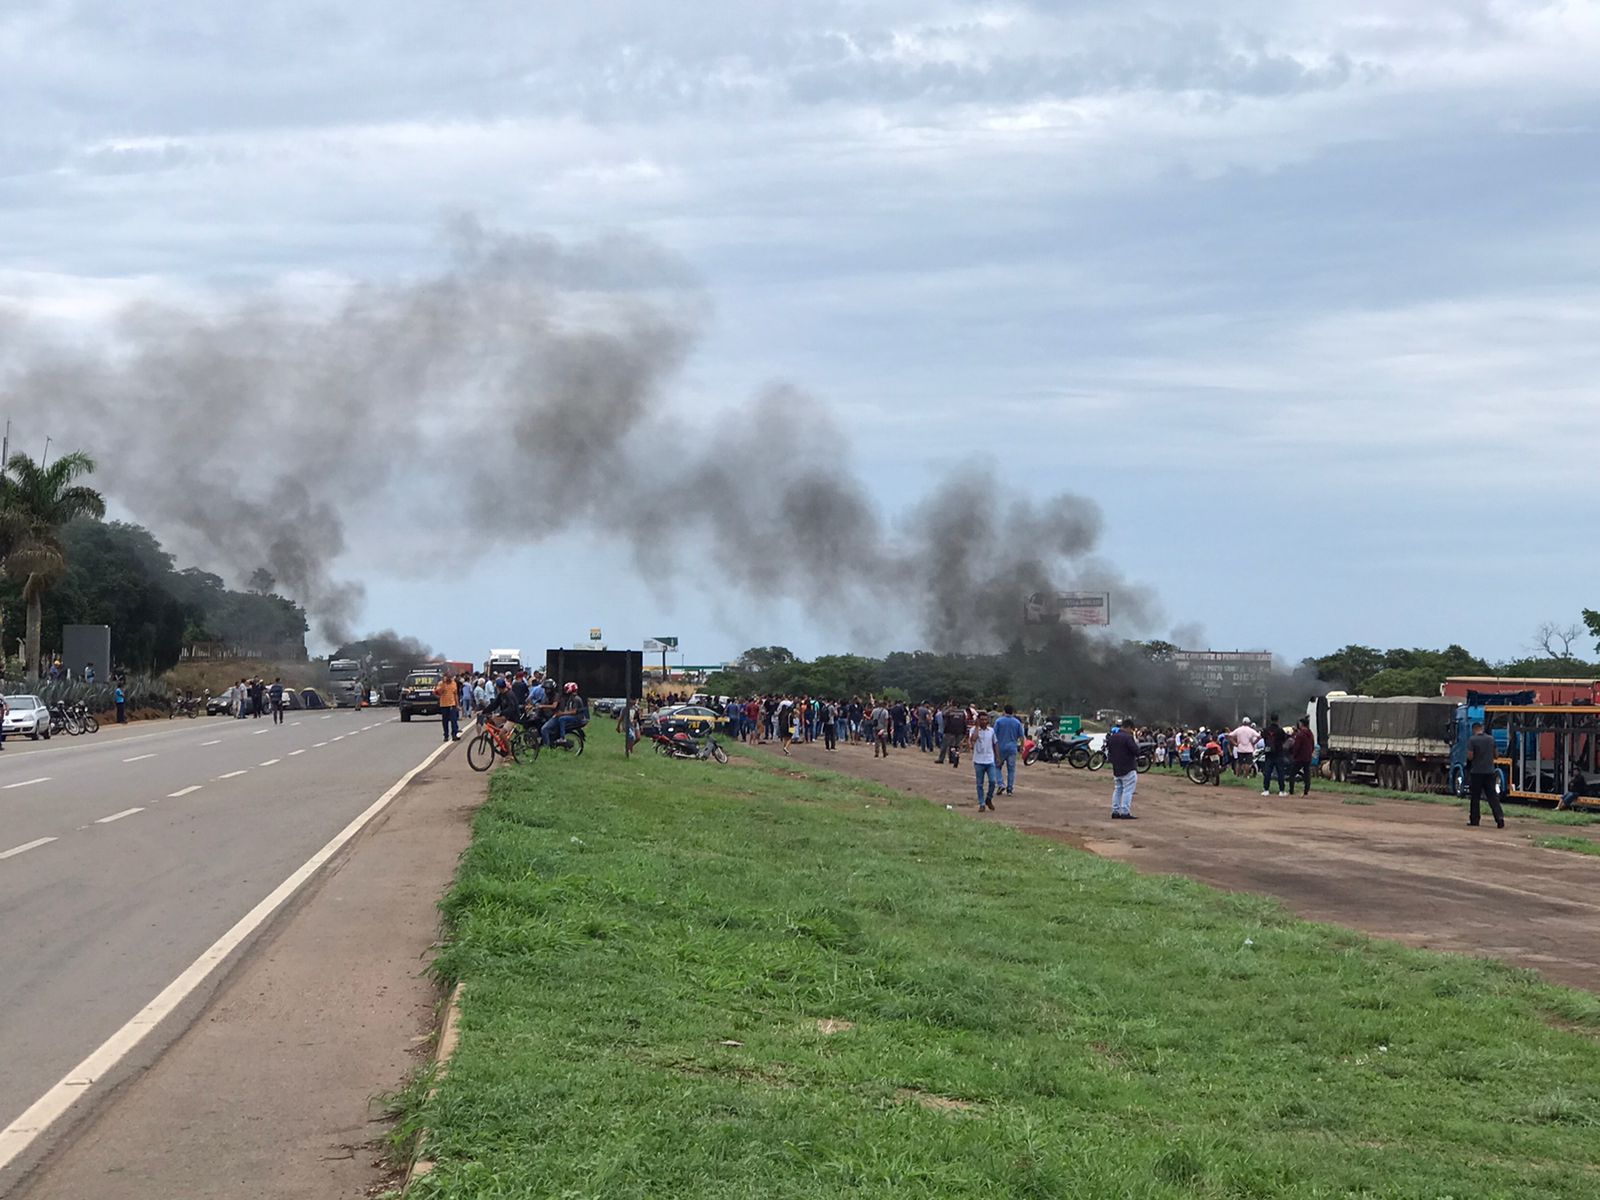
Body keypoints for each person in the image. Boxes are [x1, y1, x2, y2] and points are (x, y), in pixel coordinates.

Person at [1466, 722, 1504, 828]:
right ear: (1482, 728)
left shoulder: (1472, 740)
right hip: (1490, 772)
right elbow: (1496, 755)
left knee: (1475, 797)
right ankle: (1499, 818)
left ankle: (1475, 820)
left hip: (1477, 772)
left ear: (1474, 730)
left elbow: (1470, 756)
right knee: (1493, 797)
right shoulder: (1491, 739)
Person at [1106, 723, 1140, 818]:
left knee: (1118, 790)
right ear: (1128, 727)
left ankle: (1115, 811)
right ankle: (1125, 812)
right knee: (1128, 791)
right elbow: (1136, 751)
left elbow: (1110, 751)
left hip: (1116, 767)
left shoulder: (1113, 737)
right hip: (1128, 767)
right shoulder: (1128, 737)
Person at [969, 710, 1000, 810]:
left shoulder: (991, 731)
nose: (983, 721)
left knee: (992, 781)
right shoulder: (973, 730)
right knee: (979, 784)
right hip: (978, 761)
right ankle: (981, 803)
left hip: (989, 760)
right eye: (981, 720)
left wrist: (997, 757)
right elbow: (973, 739)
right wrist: (977, 727)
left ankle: (989, 798)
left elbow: (995, 743)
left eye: (985, 720)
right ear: (978, 720)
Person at [543, 682, 589, 747]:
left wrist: (562, 713)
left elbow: (574, 712)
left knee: (562, 719)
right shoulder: (571, 698)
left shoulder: (576, 699)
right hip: (574, 716)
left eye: (567, 689)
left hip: (578, 717)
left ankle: (562, 738)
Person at [993, 705, 1026, 796]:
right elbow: (1022, 736)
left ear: (1004, 711)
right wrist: (1022, 747)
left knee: (997, 766)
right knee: (1011, 769)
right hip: (1012, 748)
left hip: (1000, 747)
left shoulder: (999, 721)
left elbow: (994, 735)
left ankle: (1000, 783)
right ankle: (1010, 789)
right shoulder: (1017, 722)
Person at [1259, 714, 1288, 796]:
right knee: (1280, 772)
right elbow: (1284, 740)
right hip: (1278, 753)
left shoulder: (1265, 730)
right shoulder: (1280, 730)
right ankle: (1281, 791)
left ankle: (1266, 790)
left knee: (1267, 772)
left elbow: (1263, 738)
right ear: (1277, 720)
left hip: (1268, 754)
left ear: (1270, 719)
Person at [1289, 716, 1316, 795]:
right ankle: (1306, 790)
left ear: (1302, 724)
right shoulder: (1310, 733)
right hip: (1308, 757)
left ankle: (1291, 790)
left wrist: (1294, 755)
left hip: (1299, 758)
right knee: (1307, 774)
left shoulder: (1300, 734)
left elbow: (1297, 746)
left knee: (1292, 774)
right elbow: (1312, 744)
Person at [435, 672, 461, 742]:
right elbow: (438, 692)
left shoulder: (454, 683)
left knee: (454, 720)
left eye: (450, 677)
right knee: (445, 721)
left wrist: (457, 704)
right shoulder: (441, 683)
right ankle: (446, 735)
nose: (449, 679)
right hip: (444, 705)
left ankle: (454, 735)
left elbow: (455, 694)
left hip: (452, 704)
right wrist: (443, 683)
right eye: (448, 677)